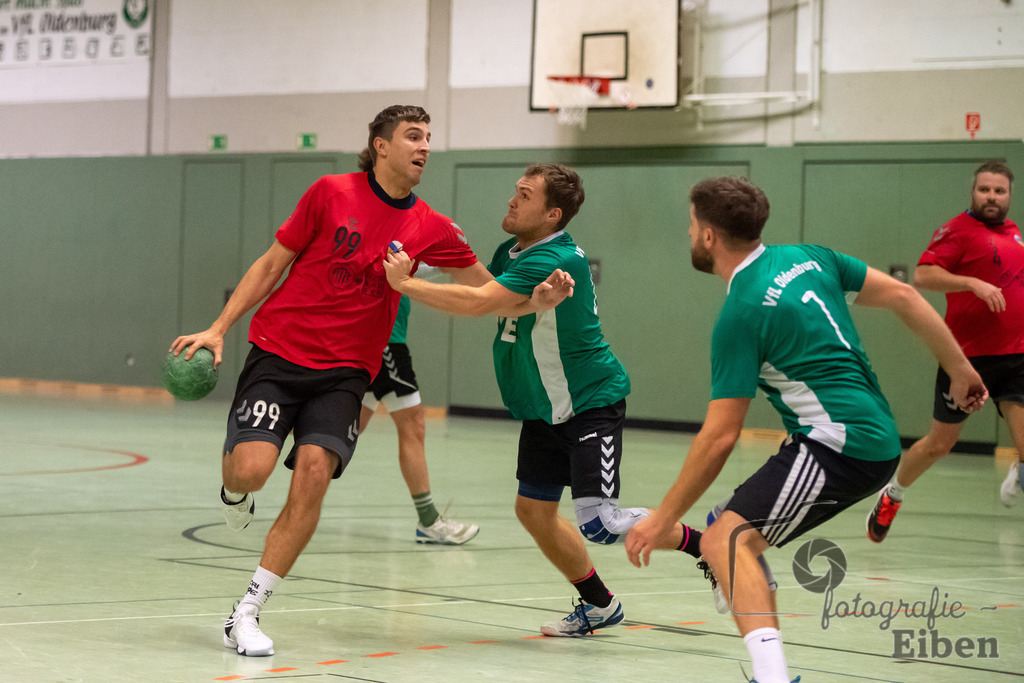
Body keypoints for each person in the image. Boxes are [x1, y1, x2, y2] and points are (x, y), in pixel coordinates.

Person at [169, 105, 566, 657]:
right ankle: (233, 490)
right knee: (251, 472)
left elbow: (487, 296)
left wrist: (535, 303)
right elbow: (271, 264)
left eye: (428, 137)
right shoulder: (330, 193)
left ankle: (248, 611)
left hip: (347, 373)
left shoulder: (431, 227)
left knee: (314, 473)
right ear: (381, 145)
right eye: (412, 136)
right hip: (279, 353)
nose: (424, 147)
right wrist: (219, 328)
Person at [624, 176, 988, 683]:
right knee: (727, 525)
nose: (689, 233)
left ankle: (772, 676)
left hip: (841, 445)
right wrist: (959, 368)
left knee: (724, 543)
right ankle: (754, 583)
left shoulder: (741, 312)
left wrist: (663, 518)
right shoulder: (809, 257)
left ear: (708, 235)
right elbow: (905, 295)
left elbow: (721, 436)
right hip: (862, 434)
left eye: (691, 225)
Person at [383, 163, 708, 638]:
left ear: (552, 214)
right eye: (515, 191)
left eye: (524, 195)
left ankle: (708, 546)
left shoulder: (556, 259)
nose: (511, 200)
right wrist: (423, 261)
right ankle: (599, 604)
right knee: (533, 511)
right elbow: (486, 291)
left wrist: (406, 284)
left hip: (588, 401)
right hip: (544, 407)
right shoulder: (512, 251)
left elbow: (480, 303)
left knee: (601, 523)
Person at [867, 160, 1024, 543]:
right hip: (966, 361)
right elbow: (924, 275)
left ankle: (1020, 470)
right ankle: (893, 494)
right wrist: (972, 283)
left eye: (999, 191)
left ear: (1009, 195)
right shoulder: (957, 230)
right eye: (984, 189)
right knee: (940, 444)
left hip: (1016, 356)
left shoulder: (1014, 233)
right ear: (973, 191)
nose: (991, 197)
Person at [360, 293, 480, 544]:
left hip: (373, 339)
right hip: (385, 341)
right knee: (413, 424)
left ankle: (289, 496)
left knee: (347, 428)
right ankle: (429, 520)